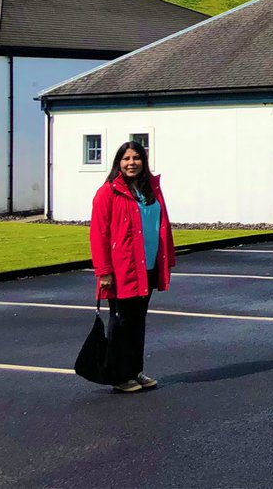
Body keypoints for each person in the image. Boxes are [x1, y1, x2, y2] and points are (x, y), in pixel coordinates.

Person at [89, 140, 176, 393]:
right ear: (119, 163)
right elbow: (98, 234)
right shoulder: (108, 192)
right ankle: (119, 375)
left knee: (138, 321)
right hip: (121, 270)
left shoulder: (152, 190)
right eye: (126, 159)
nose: (131, 163)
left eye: (136, 158)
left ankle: (134, 370)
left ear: (143, 161)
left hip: (147, 267)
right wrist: (103, 271)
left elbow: (162, 227)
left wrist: (166, 261)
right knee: (121, 321)